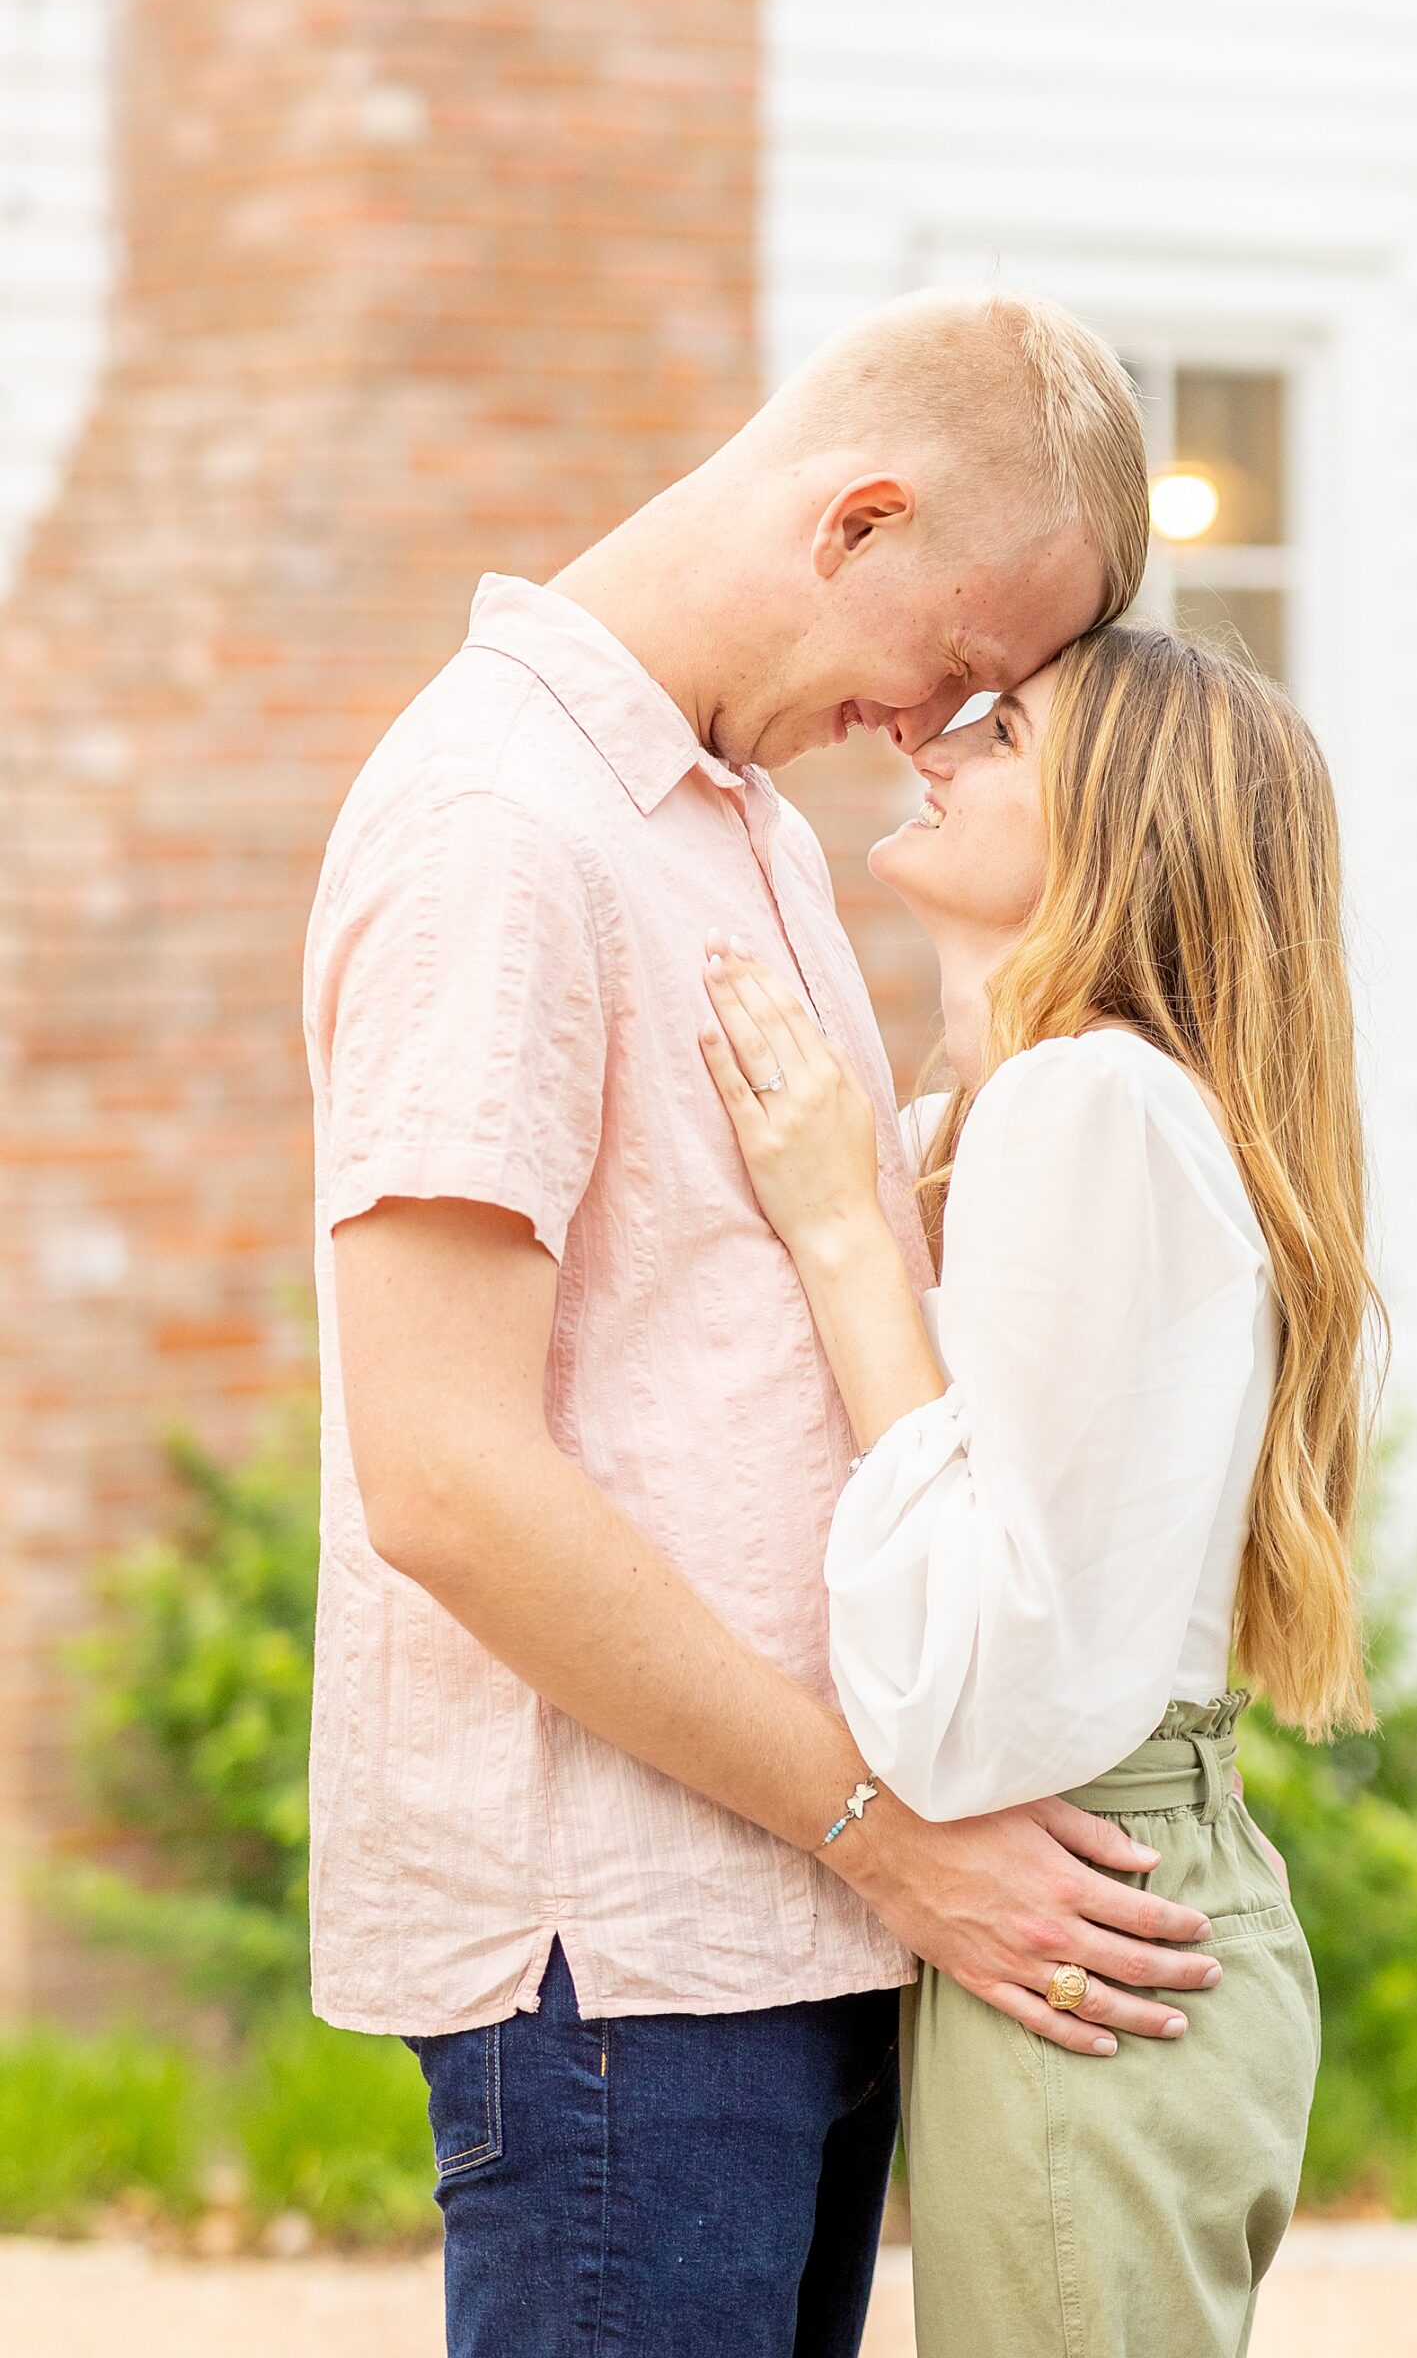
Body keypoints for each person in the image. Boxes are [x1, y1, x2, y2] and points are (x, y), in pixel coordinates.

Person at [304, 289, 1223, 2358]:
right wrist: (887, 1837)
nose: (931, 728)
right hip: (629, 1981)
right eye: (957, 663)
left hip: (793, 1933)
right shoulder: (499, 827)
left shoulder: (741, 832)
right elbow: (441, 1477)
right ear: (856, 521)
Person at [700, 621, 1382, 2358]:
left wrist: (841, 1234)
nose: (930, 743)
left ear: (1119, 825)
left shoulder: (1088, 1101)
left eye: (1001, 734)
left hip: (1083, 1877)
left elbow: (975, 1690)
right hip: (1129, 1865)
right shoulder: (1070, 1107)